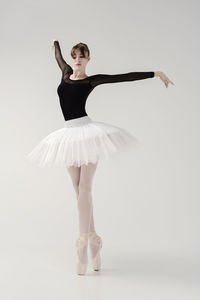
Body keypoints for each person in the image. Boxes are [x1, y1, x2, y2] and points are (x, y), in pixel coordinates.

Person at [26, 40, 174, 275]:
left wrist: (156, 73)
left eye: (82, 57)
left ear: (88, 59)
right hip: (68, 136)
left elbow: (122, 77)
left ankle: (82, 244)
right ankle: (94, 239)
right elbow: (58, 57)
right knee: (77, 189)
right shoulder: (65, 73)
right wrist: (55, 43)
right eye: (75, 56)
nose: (77, 60)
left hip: (88, 134)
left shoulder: (90, 80)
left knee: (84, 188)